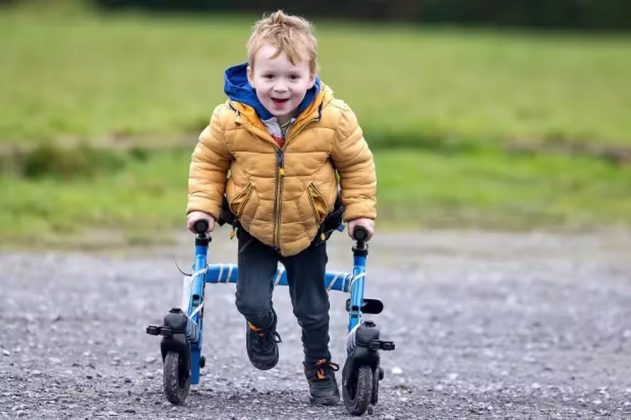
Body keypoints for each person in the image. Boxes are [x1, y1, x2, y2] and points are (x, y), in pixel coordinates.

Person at [186, 10, 376, 406]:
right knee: (250, 299)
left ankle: (319, 367)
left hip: (309, 230)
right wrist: (203, 208)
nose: (280, 87)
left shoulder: (333, 118)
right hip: (253, 228)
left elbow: (356, 165)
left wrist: (360, 212)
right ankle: (260, 325)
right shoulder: (230, 120)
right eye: (270, 76)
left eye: (292, 77)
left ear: (311, 76)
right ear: (251, 74)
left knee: (313, 309)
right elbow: (208, 163)